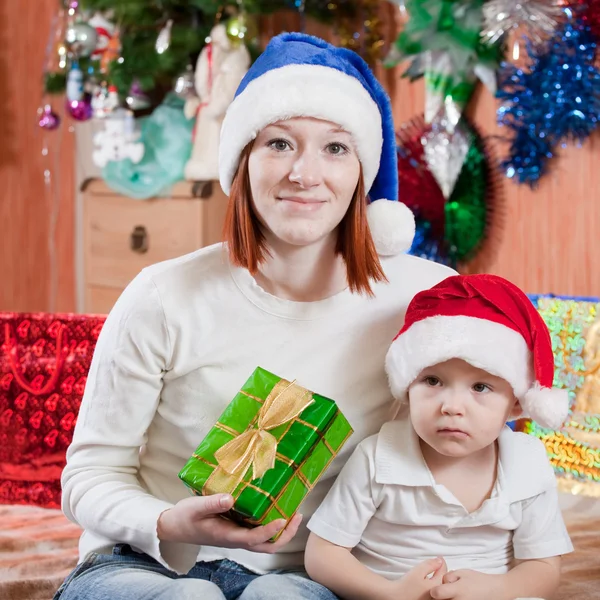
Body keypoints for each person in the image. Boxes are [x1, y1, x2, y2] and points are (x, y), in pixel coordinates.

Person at [54, 33, 455, 600]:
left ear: (363, 173)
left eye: (336, 148)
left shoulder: (425, 301)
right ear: (242, 160)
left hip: (307, 574)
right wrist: (170, 523)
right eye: (279, 144)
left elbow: (481, 441)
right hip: (143, 563)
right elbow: (89, 477)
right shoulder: (164, 296)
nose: (304, 174)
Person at [305, 274, 574, 600]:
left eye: (480, 387)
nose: (451, 406)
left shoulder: (527, 464)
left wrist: (498, 588)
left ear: (515, 402)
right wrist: (390, 593)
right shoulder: (378, 457)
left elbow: (543, 568)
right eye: (432, 381)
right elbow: (322, 555)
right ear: (407, 385)